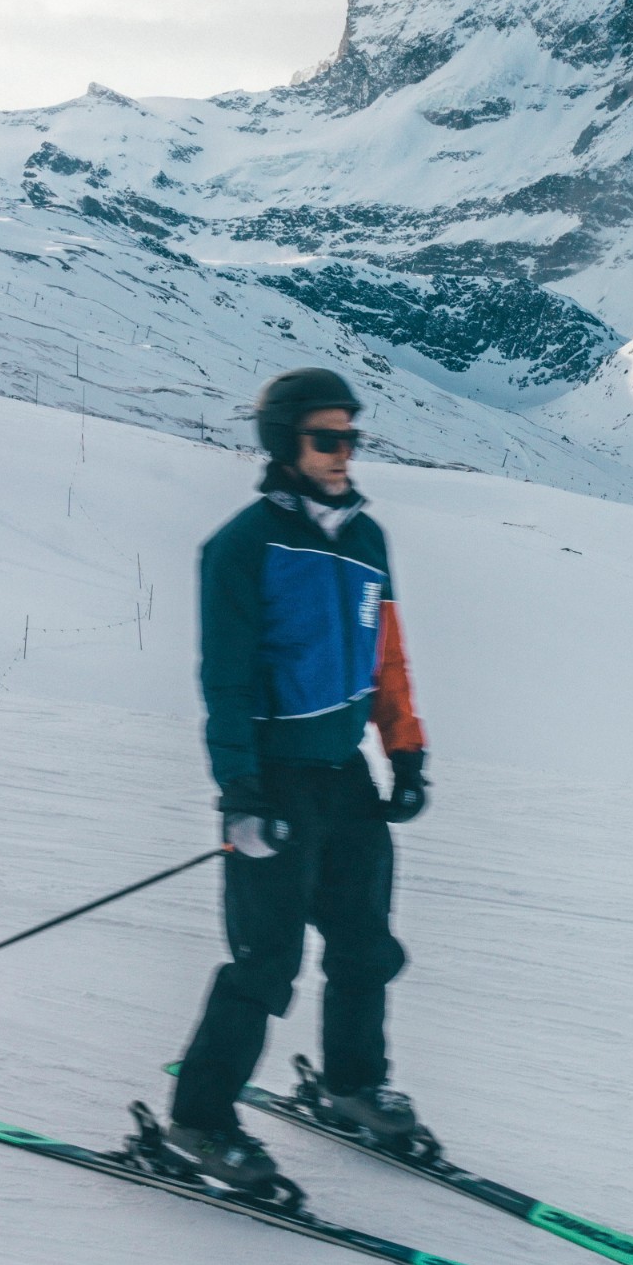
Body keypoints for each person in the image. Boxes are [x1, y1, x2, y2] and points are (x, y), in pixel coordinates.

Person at [168, 367, 429, 1188]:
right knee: (264, 963)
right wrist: (240, 793)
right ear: (286, 443)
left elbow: (384, 657)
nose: (344, 452)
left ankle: (352, 1086)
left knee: (364, 946)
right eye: (327, 438)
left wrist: (406, 751)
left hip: (343, 777)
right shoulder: (243, 546)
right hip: (273, 780)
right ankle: (199, 1122)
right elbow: (228, 683)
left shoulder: (366, 538)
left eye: (351, 436)